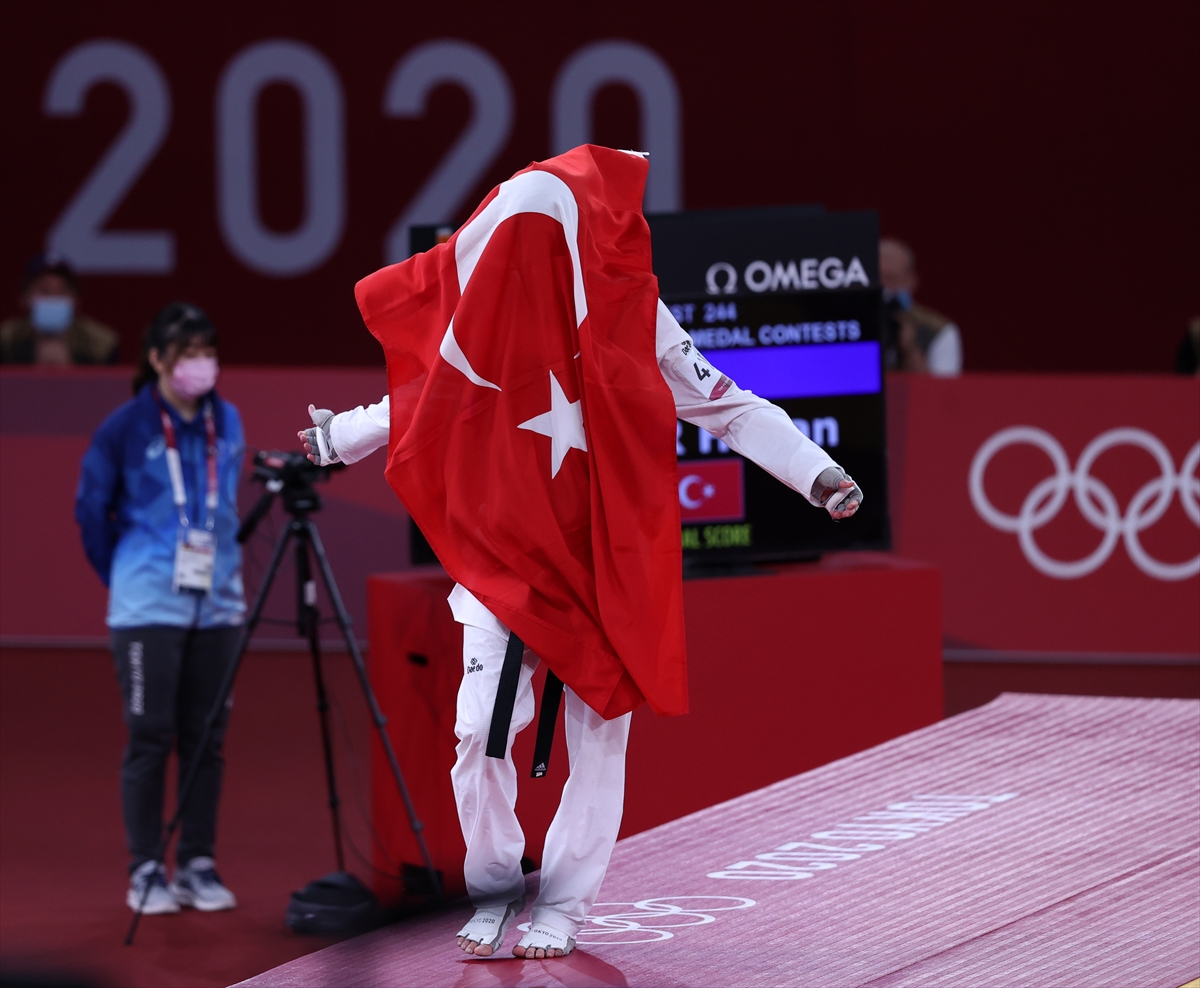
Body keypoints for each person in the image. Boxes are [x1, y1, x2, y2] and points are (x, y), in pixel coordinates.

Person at [299, 303, 862, 958]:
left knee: (596, 745)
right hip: (506, 556)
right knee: (479, 731)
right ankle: (496, 884)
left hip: (607, 568)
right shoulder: (509, 288)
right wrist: (344, 435)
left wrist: (814, 471)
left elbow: (726, 404)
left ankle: (563, 909)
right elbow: (435, 386)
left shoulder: (639, 314)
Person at [75, 303, 245, 915]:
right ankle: (146, 867)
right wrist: (125, 577)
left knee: (207, 739)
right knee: (150, 736)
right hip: (147, 605)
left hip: (219, 606)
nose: (201, 365)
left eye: (207, 352)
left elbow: (223, 506)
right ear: (156, 360)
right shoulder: (124, 427)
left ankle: (198, 862)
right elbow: (92, 513)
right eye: (187, 354)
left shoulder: (227, 420)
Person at [1, 253, 119, 365]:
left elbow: (107, 385)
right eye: (44, 290)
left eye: (62, 291)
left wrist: (67, 370)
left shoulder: (101, 345)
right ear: (24, 298)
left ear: (76, 301)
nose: (53, 298)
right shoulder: (5, 341)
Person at [879, 237, 962, 375]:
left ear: (911, 281)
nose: (884, 287)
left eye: (892, 278)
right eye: (878, 278)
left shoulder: (938, 330)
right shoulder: (851, 324)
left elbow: (942, 391)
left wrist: (910, 350)